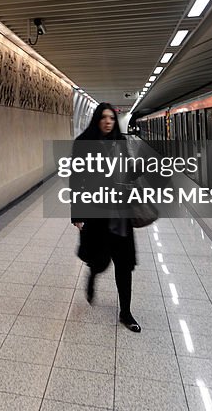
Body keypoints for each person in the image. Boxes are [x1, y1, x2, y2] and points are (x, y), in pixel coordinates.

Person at [71, 103, 142, 332]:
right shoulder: (83, 144)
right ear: (97, 120)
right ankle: (92, 274)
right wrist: (77, 213)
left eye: (111, 118)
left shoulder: (120, 143)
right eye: (103, 117)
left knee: (124, 264)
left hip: (120, 214)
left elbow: (127, 172)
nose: (108, 121)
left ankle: (126, 312)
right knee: (99, 260)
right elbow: (76, 179)